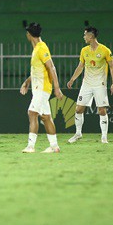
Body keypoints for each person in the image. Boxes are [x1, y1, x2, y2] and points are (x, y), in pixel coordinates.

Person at [66, 26, 113, 144]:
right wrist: (72, 79)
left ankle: (104, 137)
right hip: (87, 84)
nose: (84, 37)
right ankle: (78, 133)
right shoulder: (84, 50)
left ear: (91, 36)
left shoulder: (105, 50)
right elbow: (81, 66)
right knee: (78, 109)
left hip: (100, 84)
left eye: (85, 35)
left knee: (101, 110)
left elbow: (112, 66)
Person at [20, 23, 64, 153]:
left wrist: (57, 88)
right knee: (46, 117)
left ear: (29, 34)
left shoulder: (41, 48)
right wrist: (27, 82)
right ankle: (54, 146)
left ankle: (30, 146)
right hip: (39, 88)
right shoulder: (37, 49)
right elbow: (37, 71)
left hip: (43, 88)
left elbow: (51, 67)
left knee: (32, 113)